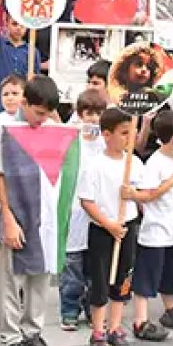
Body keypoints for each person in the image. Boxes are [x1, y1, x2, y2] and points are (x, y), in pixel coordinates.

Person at [0, 77, 64, 346]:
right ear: (24, 103)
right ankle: (9, 341)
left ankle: (32, 333)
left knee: (40, 277)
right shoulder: (7, 131)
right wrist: (8, 217)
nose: (42, 118)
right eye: (38, 112)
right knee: (11, 282)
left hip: (44, 216)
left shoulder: (52, 130)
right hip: (17, 213)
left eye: (47, 113)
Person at [78, 108, 146, 346]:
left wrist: (133, 195)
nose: (130, 138)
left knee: (123, 279)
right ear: (107, 135)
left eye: (132, 132)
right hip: (103, 230)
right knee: (100, 281)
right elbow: (87, 201)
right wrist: (108, 224)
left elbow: (144, 194)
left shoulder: (134, 162)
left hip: (127, 227)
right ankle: (98, 331)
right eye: (124, 133)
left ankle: (115, 328)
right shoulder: (95, 165)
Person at [128, 111, 173, 343]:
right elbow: (146, 196)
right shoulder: (155, 162)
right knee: (147, 276)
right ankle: (140, 320)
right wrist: (170, 182)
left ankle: (170, 310)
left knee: (169, 273)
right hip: (156, 232)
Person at [62, 91, 107, 331]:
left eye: (99, 113)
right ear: (80, 114)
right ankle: (69, 309)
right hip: (74, 210)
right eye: (89, 113)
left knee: (94, 265)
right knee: (72, 265)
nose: (94, 118)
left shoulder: (105, 143)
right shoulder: (71, 139)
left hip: (98, 211)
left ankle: (93, 309)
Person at [0, 17, 42, 113]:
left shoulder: (32, 51)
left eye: (22, 25)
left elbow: (35, 78)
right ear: (7, 24)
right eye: (14, 24)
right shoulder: (0, 44)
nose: (18, 28)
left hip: (21, 102)